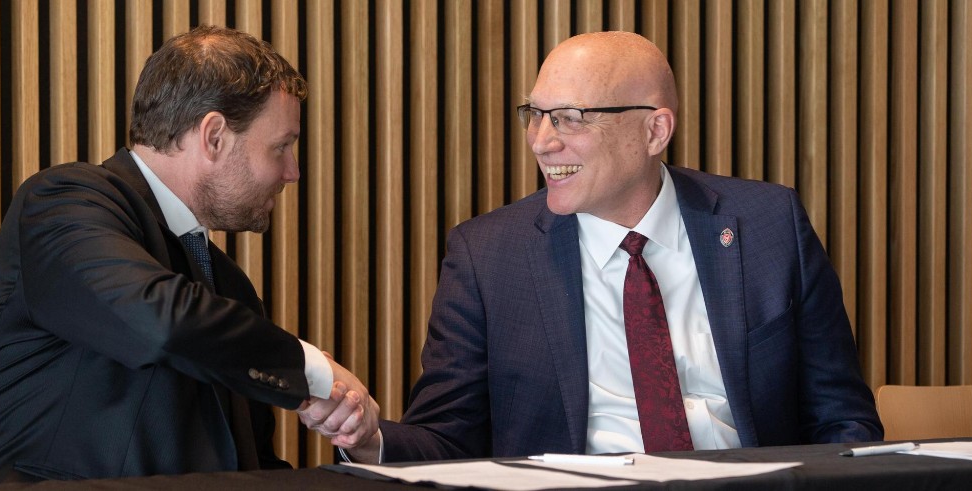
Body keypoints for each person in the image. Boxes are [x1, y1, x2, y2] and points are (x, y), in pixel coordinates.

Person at [312, 31, 882, 463]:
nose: (541, 141)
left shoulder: (769, 225)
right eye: (534, 115)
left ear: (655, 131)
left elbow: (842, 419)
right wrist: (369, 439)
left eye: (570, 119)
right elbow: (448, 438)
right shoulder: (487, 256)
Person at [0, 25, 376, 484]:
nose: (292, 172)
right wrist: (312, 370)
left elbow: (252, 466)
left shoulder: (231, 287)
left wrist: (357, 455)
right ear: (214, 136)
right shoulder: (62, 203)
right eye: (282, 146)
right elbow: (160, 321)